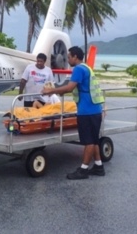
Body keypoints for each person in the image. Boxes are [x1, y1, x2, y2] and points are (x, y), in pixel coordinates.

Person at [42, 46, 105, 180]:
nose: (68, 59)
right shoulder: (87, 68)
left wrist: (50, 91)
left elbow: (70, 87)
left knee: (88, 141)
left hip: (86, 111)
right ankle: (99, 166)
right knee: (94, 140)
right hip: (95, 110)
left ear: (75, 57)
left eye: (69, 57)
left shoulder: (78, 69)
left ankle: (83, 169)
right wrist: (61, 91)